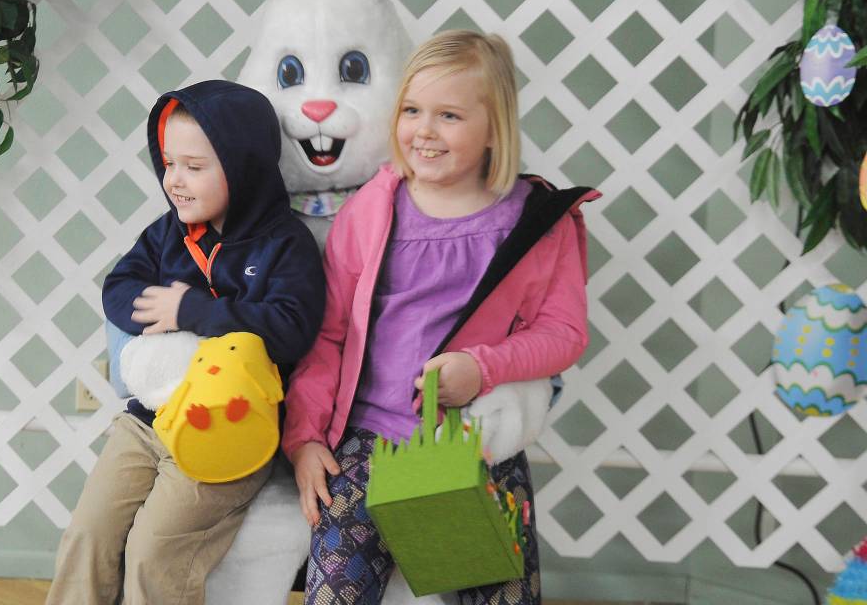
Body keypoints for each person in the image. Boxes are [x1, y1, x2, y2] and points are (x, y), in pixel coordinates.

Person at [283, 30, 600, 605]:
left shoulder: (537, 224)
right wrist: (304, 438)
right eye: (411, 110)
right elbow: (328, 335)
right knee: (334, 594)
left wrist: (481, 369)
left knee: (501, 591)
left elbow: (563, 333)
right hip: (363, 445)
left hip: (471, 446)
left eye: (448, 114)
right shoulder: (372, 210)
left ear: (494, 129)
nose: (423, 131)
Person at [47, 80, 325, 605]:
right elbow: (119, 289)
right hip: (146, 423)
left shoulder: (286, 246)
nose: (174, 180)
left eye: (194, 167)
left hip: (228, 428)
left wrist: (190, 311)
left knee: (155, 551)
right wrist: (165, 325)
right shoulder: (167, 233)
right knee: (88, 533)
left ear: (242, 168)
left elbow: (290, 328)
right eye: (169, 163)